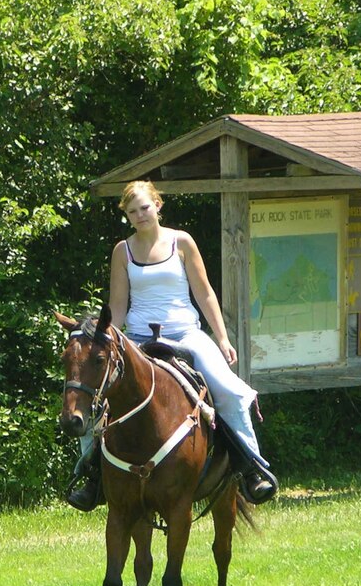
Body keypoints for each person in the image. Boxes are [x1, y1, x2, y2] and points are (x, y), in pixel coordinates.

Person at [67, 180, 277, 510]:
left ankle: (252, 468)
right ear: (127, 215)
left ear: (158, 206)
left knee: (229, 390)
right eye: (132, 211)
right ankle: (92, 478)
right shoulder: (122, 251)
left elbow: (205, 293)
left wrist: (221, 338)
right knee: (94, 399)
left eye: (145, 208)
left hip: (185, 335)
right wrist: (103, 341)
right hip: (138, 340)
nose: (140, 215)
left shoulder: (182, 242)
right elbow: (118, 306)